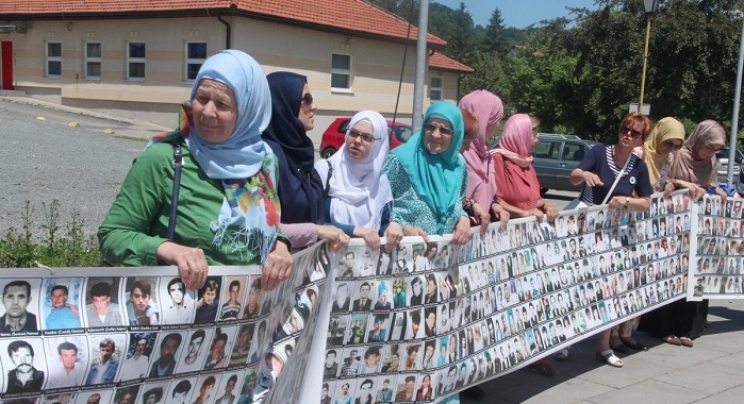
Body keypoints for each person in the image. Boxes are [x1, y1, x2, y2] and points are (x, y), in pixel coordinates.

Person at [97, 50, 293, 292]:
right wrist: (168, 249)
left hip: (246, 322)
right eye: (201, 98)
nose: (207, 111)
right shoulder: (165, 159)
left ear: (248, 111)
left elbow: (262, 220)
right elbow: (112, 235)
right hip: (181, 319)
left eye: (222, 104)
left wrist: (281, 245)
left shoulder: (264, 161)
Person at [570, 111, 653, 368]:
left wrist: (627, 200)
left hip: (615, 235)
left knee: (609, 288)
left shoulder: (638, 167)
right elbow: (573, 175)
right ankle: (567, 342)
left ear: (642, 139)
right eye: (624, 129)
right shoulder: (598, 153)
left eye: (634, 132)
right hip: (587, 230)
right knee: (578, 285)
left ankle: (603, 345)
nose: (627, 135)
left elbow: (646, 202)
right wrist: (584, 175)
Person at [641, 120, 728, 347]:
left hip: (697, 228)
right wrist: (682, 184)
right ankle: (664, 327)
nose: (711, 152)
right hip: (673, 227)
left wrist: (718, 194)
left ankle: (689, 328)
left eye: (716, 149)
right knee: (671, 274)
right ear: (699, 139)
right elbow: (663, 182)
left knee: (694, 276)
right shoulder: (677, 154)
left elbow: (711, 185)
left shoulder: (710, 162)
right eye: (709, 146)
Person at [491, 113, 559, 377]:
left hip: (531, 246)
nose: (536, 139)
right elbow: (495, 199)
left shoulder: (526, 163)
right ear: (519, 134)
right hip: (507, 244)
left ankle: (532, 353)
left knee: (531, 298)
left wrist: (546, 204)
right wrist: (524, 213)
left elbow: (535, 198)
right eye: (532, 133)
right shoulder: (498, 160)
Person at [261, 71, 348, 252]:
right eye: (306, 99)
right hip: (273, 270)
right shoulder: (266, 155)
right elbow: (260, 226)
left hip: (304, 270)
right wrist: (316, 231)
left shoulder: (302, 153)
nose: (314, 106)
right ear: (284, 103)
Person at [314, 110, 393, 250]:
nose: (357, 141)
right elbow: (311, 223)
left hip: (365, 266)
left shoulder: (381, 182)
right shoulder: (323, 171)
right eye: (353, 133)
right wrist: (353, 230)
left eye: (367, 137)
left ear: (378, 144)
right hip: (326, 261)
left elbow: (384, 226)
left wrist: (394, 227)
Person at [459, 90, 510, 236]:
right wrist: (471, 208)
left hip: (478, 236)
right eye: (496, 119)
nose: (498, 124)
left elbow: (487, 193)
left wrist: (495, 206)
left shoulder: (486, 155)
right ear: (485, 120)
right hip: (456, 235)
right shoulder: (456, 153)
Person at [640, 117, 685, 192]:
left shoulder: (668, 157)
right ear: (659, 136)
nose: (671, 149)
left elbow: (659, 183)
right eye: (668, 143)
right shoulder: (639, 154)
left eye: (677, 146)